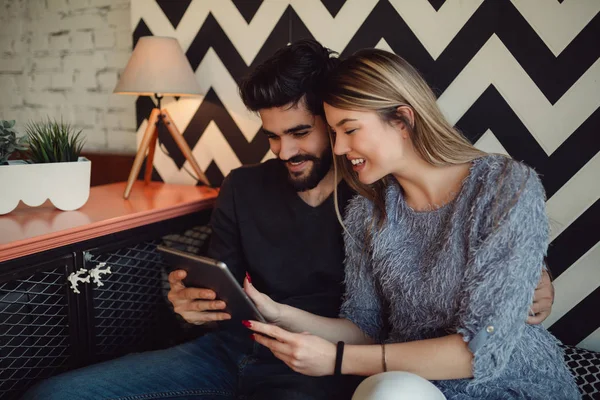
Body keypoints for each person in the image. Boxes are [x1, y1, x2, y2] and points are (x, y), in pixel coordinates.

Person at [22, 41, 555, 400]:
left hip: (339, 371)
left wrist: (536, 275)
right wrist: (193, 304)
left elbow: (479, 315)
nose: (285, 151)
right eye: (272, 136)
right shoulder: (292, 193)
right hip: (245, 349)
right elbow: (229, 292)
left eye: (303, 132)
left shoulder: (380, 192)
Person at [241, 49, 578, 399]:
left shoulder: (503, 187)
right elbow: (364, 329)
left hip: (508, 385)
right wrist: (278, 313)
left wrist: (338, 360)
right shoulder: (367, 213)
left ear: (402, 120)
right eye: (334, 132)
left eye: (349, 129)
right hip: (416, 385)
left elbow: (481, 350)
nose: (339, 148)